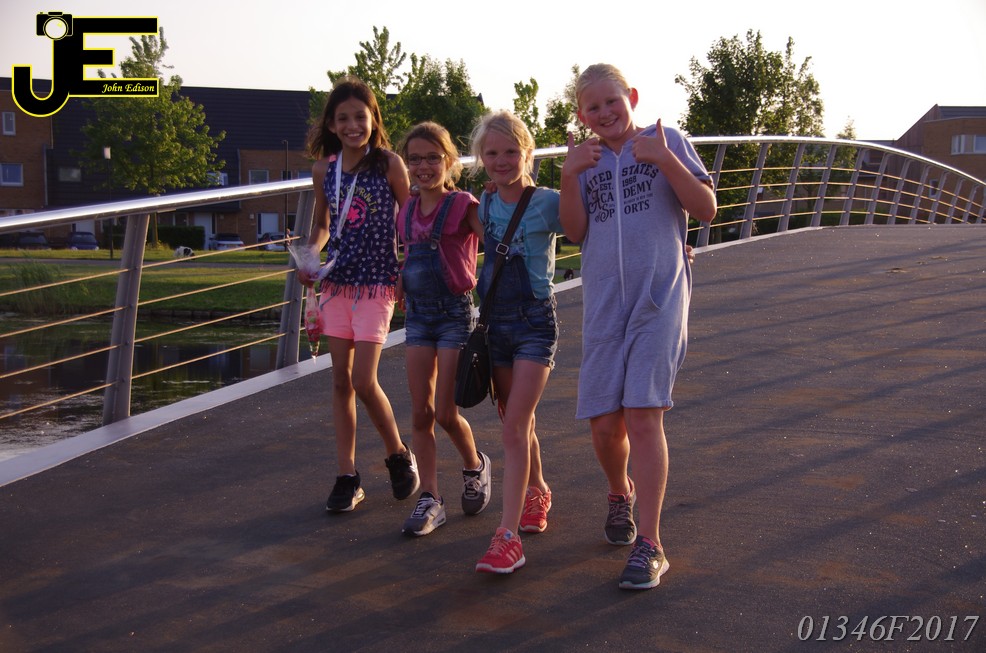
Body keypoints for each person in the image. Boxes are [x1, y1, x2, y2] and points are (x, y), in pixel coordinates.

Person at [558, 64, 717, 589]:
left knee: (644, 415)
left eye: (612, 101)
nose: (605, 112)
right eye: (593, 107)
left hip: (659, 299)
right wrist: (568, 175)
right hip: (605, 305)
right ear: (582, 115)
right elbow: (575, 231)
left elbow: (706, 209)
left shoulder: (667, 141)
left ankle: (650, 543)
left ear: (631, 96)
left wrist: (665, 159)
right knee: (605, 426)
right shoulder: (585, 160)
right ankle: (619, 492)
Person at [300, 75, 419, 513]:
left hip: (377, 283)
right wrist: (310, 255)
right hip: (337, 283)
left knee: (363, 380)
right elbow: (322, 224)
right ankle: (347, 475)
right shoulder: (324, 170)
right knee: (340, 381)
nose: (352, 126)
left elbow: (410, 220)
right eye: (343, 118)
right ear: (332, 124)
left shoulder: (388, 164)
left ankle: (398, 453)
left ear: (373, 120)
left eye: (360, 117)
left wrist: (408, 269)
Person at [470, 111, 563, 574]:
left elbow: (595, 227)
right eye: (492, 153)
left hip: (533, 324)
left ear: (528, 152)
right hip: (496, 325)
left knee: (514, 428)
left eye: (511, 151)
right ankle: (538, 489)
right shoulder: (485, 203)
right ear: (480, 158)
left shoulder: (547, 201)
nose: (502, 160)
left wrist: (675, 244)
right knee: (515, 421)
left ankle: (507, 538)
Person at [394, 122, 492, 537]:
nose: (424, 167)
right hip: (418, 316)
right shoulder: (407, 209)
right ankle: (431, 497)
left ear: (450, 161)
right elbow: (408, 254)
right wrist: (401, 279)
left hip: (454, 314)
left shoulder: (462, 204)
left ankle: (475, 465)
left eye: (433, 158)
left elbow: (495, 240)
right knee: (420, 411)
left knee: (446, 412)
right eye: (415, 159)